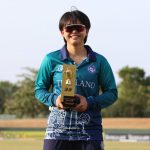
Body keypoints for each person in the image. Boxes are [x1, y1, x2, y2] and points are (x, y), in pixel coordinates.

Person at [34, 8, 118, 150]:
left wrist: (89, 102)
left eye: (79, 27)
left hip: (90, 132)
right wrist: (55, 99)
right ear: (62, 32)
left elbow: (112, 93)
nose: (74, 31)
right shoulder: (51, 59)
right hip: (57, 132)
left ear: (86, 31)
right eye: (69, 28)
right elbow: (39, 90)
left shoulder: (99, 61)